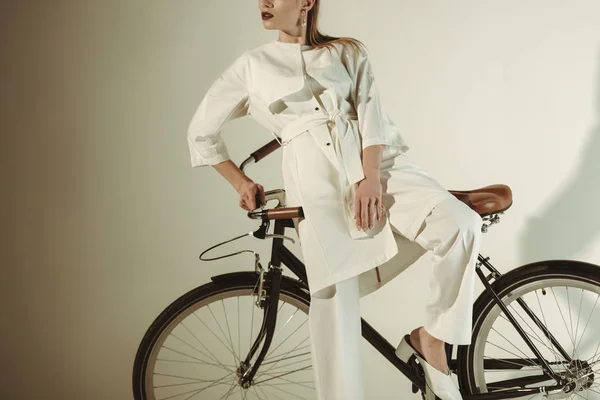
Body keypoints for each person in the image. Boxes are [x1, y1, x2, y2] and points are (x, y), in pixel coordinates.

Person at [187, 1, 483, 399]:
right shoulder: (251, 65)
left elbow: (370, 114)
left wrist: (371, 177)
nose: (264, 3)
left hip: (378, 165)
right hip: (315, 180)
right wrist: (240, 182)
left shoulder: (348, 51)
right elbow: (200, 132)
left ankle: (431, 340)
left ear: (306, 2)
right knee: (336, 304)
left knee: (460, 223)